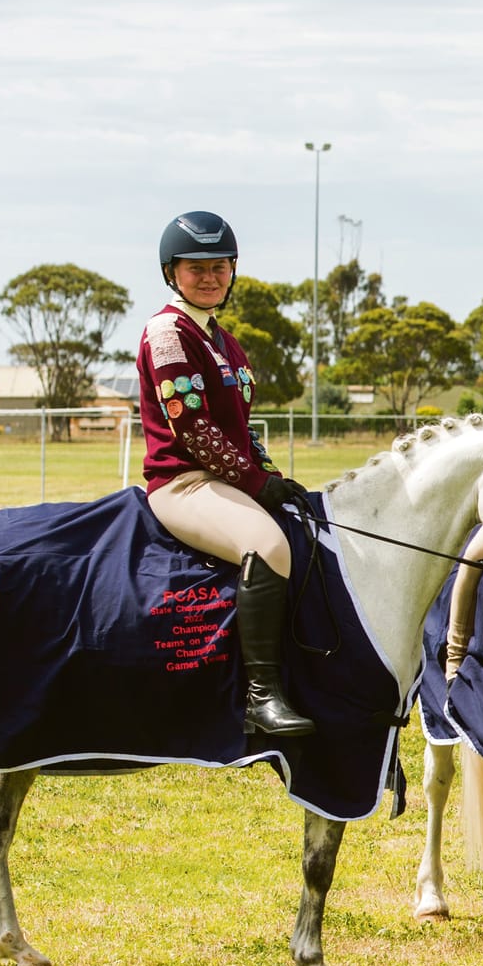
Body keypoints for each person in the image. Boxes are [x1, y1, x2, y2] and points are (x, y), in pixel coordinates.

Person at [137, 210, 313, 736]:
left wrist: (273, 473)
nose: (210, 277)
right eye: (196, 268)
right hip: (184, 482)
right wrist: (256, 484)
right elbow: (193, 428)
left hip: (224, 478)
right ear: (172, 273)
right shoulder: (168, 332)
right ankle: (261, 699)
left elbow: (239, 428)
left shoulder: (223, 339)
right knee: (269, 546)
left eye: (220, 266)